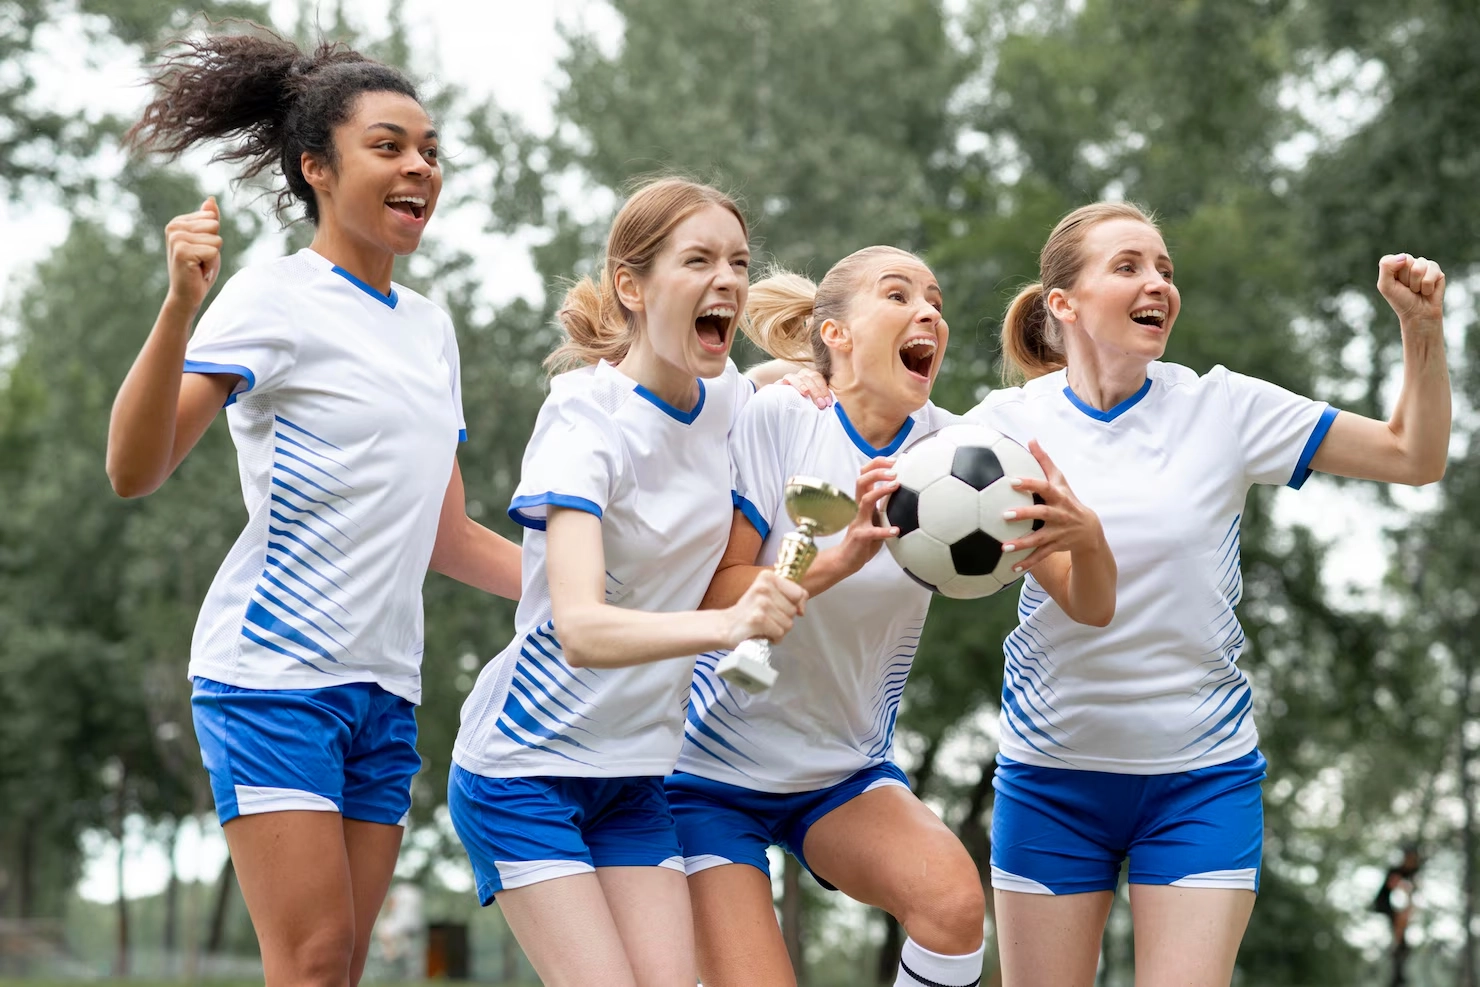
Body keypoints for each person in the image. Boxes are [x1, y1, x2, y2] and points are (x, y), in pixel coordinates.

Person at [107, 30, 520, 987]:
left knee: (341, 969)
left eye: (429, 151)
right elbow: (135, 468)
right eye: (389, 146)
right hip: (272, 675)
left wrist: (601, 593)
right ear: (316, 168)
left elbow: (450, 536)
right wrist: (177, 309)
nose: (419, 167)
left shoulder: (431, 329)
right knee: (314, 959)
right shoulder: (274, 298)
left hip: (386, 686)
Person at [969, 201, 1449, 986]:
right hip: (1051, 779)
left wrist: (1422, 330)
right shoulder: (1001, 425)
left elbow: (1414, 456)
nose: (1157, 282)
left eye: (1164, 268)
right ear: (1064, 303)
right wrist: (801, 386)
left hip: (1200, 781)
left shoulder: (1224, 407)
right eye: (1128, 266)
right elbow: (884, 439)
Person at [667, 247, 1117, 987]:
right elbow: (716, 594)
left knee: (953, 908)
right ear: (836, 333)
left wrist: (1086, 536)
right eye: (899, 294)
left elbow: (1090, 605)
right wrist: (835, 561)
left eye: (936, 299)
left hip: (843, 771)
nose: (929, 312)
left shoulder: (964, 454)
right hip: (706, 776)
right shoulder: (778, 417)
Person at [447, 178, 808, 987]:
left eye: (738, 262)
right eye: (698, 260)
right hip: (523, 771)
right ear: (631, 286)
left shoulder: (725, 397)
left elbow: (765, 385)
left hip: (636, 773)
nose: (727, 279)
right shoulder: (585, 421)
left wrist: (807, 374)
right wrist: (726, 625)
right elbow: (580, 627)